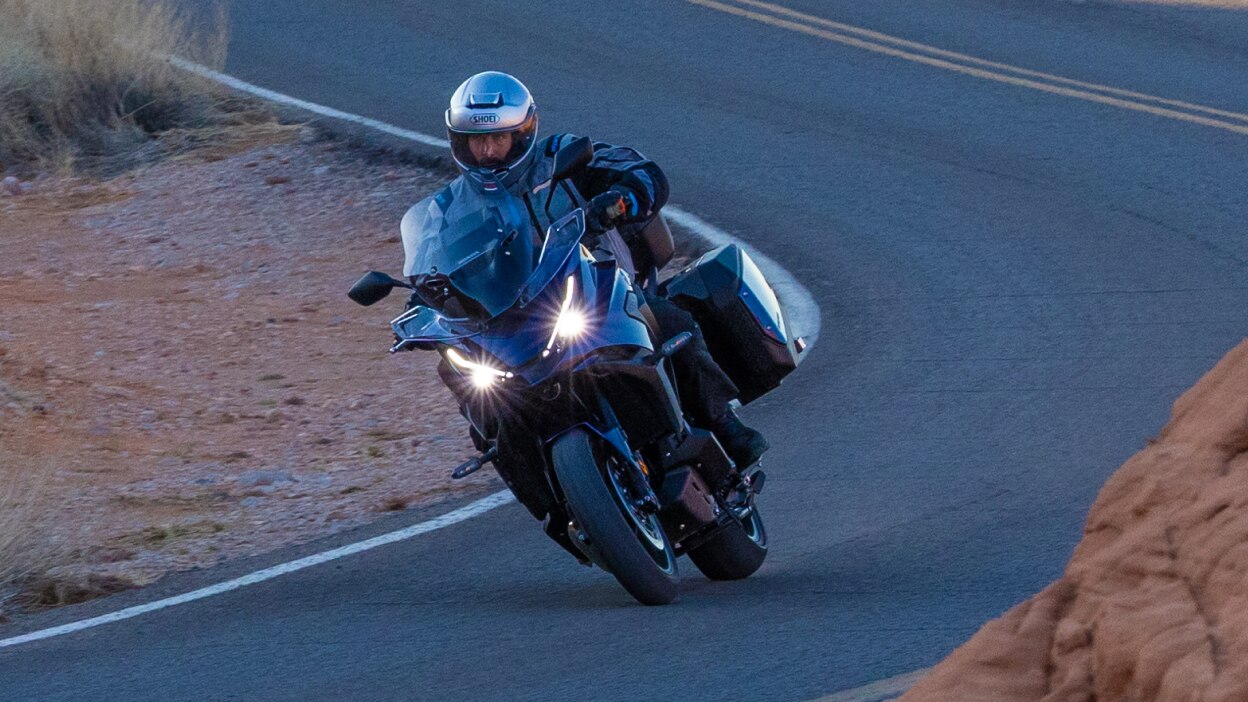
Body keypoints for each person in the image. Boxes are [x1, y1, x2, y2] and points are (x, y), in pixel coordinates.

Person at [405, 71, 767, 470]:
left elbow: (646, 172)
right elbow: (428, 268)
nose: (488, 152)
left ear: (523, 134)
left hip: (601, 291)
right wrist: (421, 302)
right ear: (460, 142)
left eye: (499, 139)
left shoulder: (561, 157)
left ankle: (724, 423)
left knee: (668, 320)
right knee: (465, 374)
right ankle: (531, 478)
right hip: (511, 324)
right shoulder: (447, 210)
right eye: (477, 142)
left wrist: (622, 200)